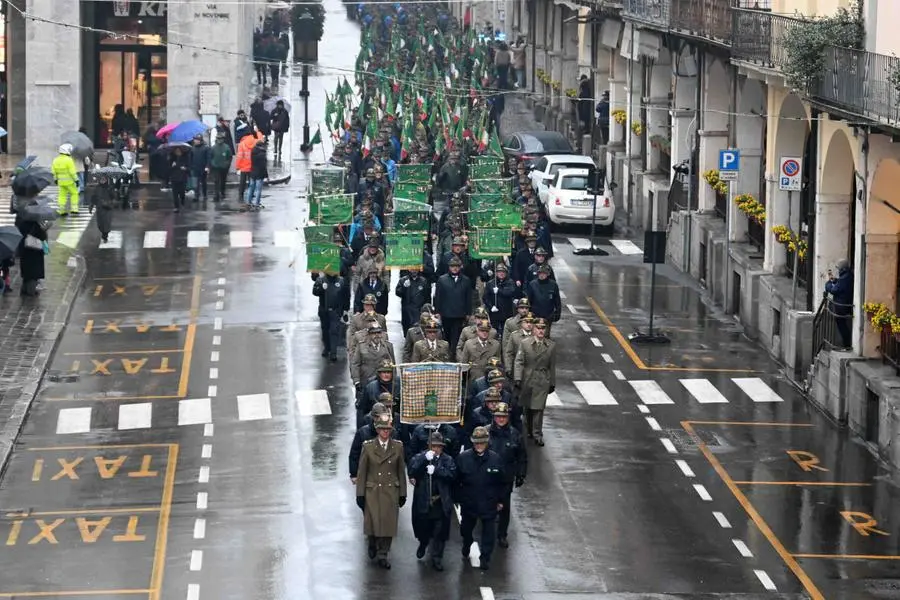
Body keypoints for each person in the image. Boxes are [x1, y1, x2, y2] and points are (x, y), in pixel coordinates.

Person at [356, 412, 407, 569]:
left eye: (388, 429)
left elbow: (400, 471)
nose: (386, 432)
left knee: (388, 525)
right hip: (373, 492)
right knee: (373, 523)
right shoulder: (368, 447)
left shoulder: (397, 447)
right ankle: (372, 541)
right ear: (377, 430)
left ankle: (383, 554)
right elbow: (362, 471)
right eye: (383, 429)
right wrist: (360, 494)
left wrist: (402, 493)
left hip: (390, 491)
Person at [455, 426, 505, 571]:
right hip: (469, 502)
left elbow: (502, 482)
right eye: (476, 442)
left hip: (489, 502)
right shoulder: (463, 458)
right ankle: (467, 543)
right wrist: (458, 498)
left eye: (482, 442)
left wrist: (501, 500)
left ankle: (485, 558)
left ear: (487, 442)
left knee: (489, 533)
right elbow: (457, 481)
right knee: (466, 529)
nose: (479, 445)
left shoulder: (495, 459)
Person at [408, 431, 457, 571]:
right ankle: (423, 543)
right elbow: (411, 471)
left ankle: (437, 557)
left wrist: (437, 470)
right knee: (424, 528)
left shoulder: (447, 460)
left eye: (438, 446)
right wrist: (424, 459)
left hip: (440, 501)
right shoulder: (420, 457)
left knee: (440, 532)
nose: (436, 449)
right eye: (433, 446)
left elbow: (452, 475)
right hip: (424, 500)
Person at [488, 402, 527, 548]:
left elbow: (522, 456)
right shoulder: (486, 433)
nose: (501, 419)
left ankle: (502, 535)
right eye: (498, 416)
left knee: (504, 508)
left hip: (505, 478)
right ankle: (488, 533)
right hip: (488, 478)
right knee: (487, 507)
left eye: (503, 417)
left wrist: (521, 474)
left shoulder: (515, 434)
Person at [514, 318, 557, 446]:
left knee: (538, 408)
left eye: (543, 328)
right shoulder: (525, 343)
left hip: (542, 380)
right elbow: (519, 361)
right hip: (527, 378)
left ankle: (537, 433)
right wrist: (517, 378)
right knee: (528, 406)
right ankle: (529, 429)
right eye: (538, 328)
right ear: (533, 329)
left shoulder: (551, 346)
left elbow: (552, 366)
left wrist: (552, 383)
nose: (541, 331)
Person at [434, 256, 472, 360]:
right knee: (446, 335)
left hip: (459, 314)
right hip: (446, 313)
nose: (455, 268)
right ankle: (446, 354)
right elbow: (438, 296)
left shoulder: (466, 280)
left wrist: (468, 312)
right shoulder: (442, 279)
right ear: (449, 267)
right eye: (452, 266)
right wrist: (437, 311)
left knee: (456, 336)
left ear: (460, 267)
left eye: (457, 266)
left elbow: (468, 298)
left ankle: (453, 355)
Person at [312, 269, 350, 362]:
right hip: (324, 309)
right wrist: (321, 288)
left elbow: (346, 296)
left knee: (334, 330)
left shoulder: (341, 281)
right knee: (325, 330)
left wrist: (345, 309)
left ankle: (333, 352)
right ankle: (327, 347)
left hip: (336, 310)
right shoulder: (321, 280)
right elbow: (314, 292)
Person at [825, 258, 854, 349]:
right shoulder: (848, 276)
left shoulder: (845, 278)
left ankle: (847, 345)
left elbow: (834, 290)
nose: (837, 270)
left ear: (842, 269)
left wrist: (828, 283)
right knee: (842, 325)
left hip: (842, 306)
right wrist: (835, 280)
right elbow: (841, 284)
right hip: (845, 305)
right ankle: (847, 344)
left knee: (842, 325)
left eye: (838, 268)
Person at [395, 269, 432, 333]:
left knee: (418, 332)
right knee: (407, 331)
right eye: (412, 269)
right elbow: (398, 293)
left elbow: (427, 297)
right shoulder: (403, 280)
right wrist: (404, 287)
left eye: (416, 269)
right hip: (407, 311)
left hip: (419, 310)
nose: (414, 271)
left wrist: (428, 310)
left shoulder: (423, 281)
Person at [52, 144, 79, 216]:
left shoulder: (55, 160)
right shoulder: (69, 160)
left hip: (61, 182)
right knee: (74, 193)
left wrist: (55, 179)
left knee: (62, 196)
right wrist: (76, 180)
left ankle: (61, 210)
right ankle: (74, 209)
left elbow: (53, 171)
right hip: (70, 182)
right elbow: (72, 172)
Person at [88, 173, 116, 244]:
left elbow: (114, 197)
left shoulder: (110, 187)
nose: (102, 181)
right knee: (100, 224)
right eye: (101, 179)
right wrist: (91, 207)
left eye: (104, 179)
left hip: (108, 208)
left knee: (106, 223)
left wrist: (112, 191)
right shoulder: (97, 188)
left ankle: (105, 235)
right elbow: (93, 197)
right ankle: (103, 233)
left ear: (107, 180)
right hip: (99, 209)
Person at [209, 133, 233, 202]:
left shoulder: (226, 147)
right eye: (218, 139)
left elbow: (230, 157)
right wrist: (212, 164)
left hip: (224, 168)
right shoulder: (213, 147)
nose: (219, 140)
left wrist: (227, 164)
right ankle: (216, 195)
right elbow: (210, 157)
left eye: (221, 139)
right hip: (216, 167)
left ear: (223, 139)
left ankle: (222, 192)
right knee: (216, 181)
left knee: (223, 181)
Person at [245, 138, 268, 210]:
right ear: (261, 146)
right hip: (259, 174)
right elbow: (263, 166)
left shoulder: (253, 151)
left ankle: (248, 202)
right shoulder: (262, 154)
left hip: (253, 172)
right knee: (258, 189)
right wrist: (266, 175)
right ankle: (257, 203)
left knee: (251, 187)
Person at [189, 134, 211, 202]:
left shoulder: (206, 148)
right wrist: (190, 166)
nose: (196, 141)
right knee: (195, 183)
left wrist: (207, 166)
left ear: (201, 140)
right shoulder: (192, 148)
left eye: (198, 140)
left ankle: (204, 195)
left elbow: (208, 158)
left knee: (203, 182)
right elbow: (190, 158)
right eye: (195, 139)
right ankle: (196, 196)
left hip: (203, 168)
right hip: (195, 168)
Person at [168, 146, 190, 212]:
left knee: (182, 192)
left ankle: (182, 202)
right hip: (174, 178)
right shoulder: (172, 158)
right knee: (175, 193)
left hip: (182, 178)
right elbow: (168, 169)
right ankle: (176, 207)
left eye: (179, 151)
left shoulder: (185, 158)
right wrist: (172, 166)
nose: (178, 152)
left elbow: (189, 168)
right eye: (176, 151)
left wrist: (185, 168)